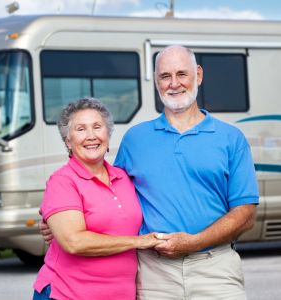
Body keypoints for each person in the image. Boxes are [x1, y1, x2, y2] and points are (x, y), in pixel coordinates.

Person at [40, 45, 259, 299]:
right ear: (156, 82)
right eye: (165, 76)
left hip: (215, 267)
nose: (174, 83)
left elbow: (246, 214)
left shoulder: (231, 138)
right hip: (154, 273)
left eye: (181, 74)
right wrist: (55, 219)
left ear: (198, 75)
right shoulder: (136, 139)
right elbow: (103, 190)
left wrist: (194, 242)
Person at [33, 98, 163, 300]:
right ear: (68, 140)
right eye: (81, 129)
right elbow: (74, 242)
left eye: (97, 127)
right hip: (66, 294)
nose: (91, 136)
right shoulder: (62, 182)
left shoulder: (124, 178)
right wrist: (139, 241)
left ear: (108, 134)